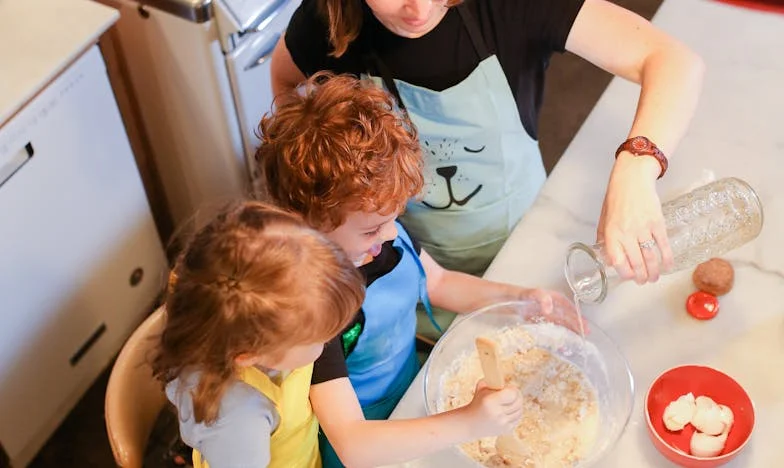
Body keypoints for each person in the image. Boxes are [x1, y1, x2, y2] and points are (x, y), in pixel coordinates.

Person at [256, 73, 578, 467]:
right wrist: (469, 423)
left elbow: (438, 282)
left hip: (416, 394)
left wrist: (518, 298)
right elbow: (354, 445)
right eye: (373, 228)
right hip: (375, 439)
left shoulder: (381, 237)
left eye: (395, 218)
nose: (390, 235)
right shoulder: (313, 309)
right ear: (306, 222)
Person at [270, 0, 705, 282]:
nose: (418, 9)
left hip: (525, 235)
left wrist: (635, 170)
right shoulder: (328, 20)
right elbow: (286, 76)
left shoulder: (509, 8)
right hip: (404, 257)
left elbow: (674, 61)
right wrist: (313, 185)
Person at [152, 201, 365, 468]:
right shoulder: (239, 417)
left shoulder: (262, 337)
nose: (332, 339)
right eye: (321, 338)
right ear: (249, 355)